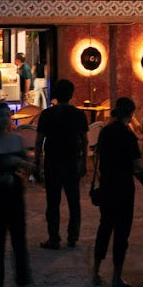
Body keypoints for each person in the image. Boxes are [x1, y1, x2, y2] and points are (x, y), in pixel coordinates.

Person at [91, 96, 143, 287]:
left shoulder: (104, 132)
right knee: (121, 232)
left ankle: (95, 272)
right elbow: (137, 166)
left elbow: (98, 157)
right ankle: (116, 278)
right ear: (130, 114)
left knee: (104, 227)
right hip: (123, 189)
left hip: (106, 186)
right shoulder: (128, 136)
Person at [0, 102, 34, 287]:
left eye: (7, 115)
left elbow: (29, 165)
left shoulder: (17, 140)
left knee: (19, 237)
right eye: (1, 115)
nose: (4, 119)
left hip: (14, 191)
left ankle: (24, 281)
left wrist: (18, 162)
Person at [35, 79, 89, 250]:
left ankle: (54, 238)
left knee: (53, 202)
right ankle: (72, 237)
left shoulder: (46, 115)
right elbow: (85, 141)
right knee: (74, 202)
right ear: (71, 94)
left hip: (53, 162)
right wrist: (84, 163)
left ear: (55, 95)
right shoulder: (79, 114)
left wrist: (38, 163)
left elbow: (39, 142)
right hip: (72, 161)